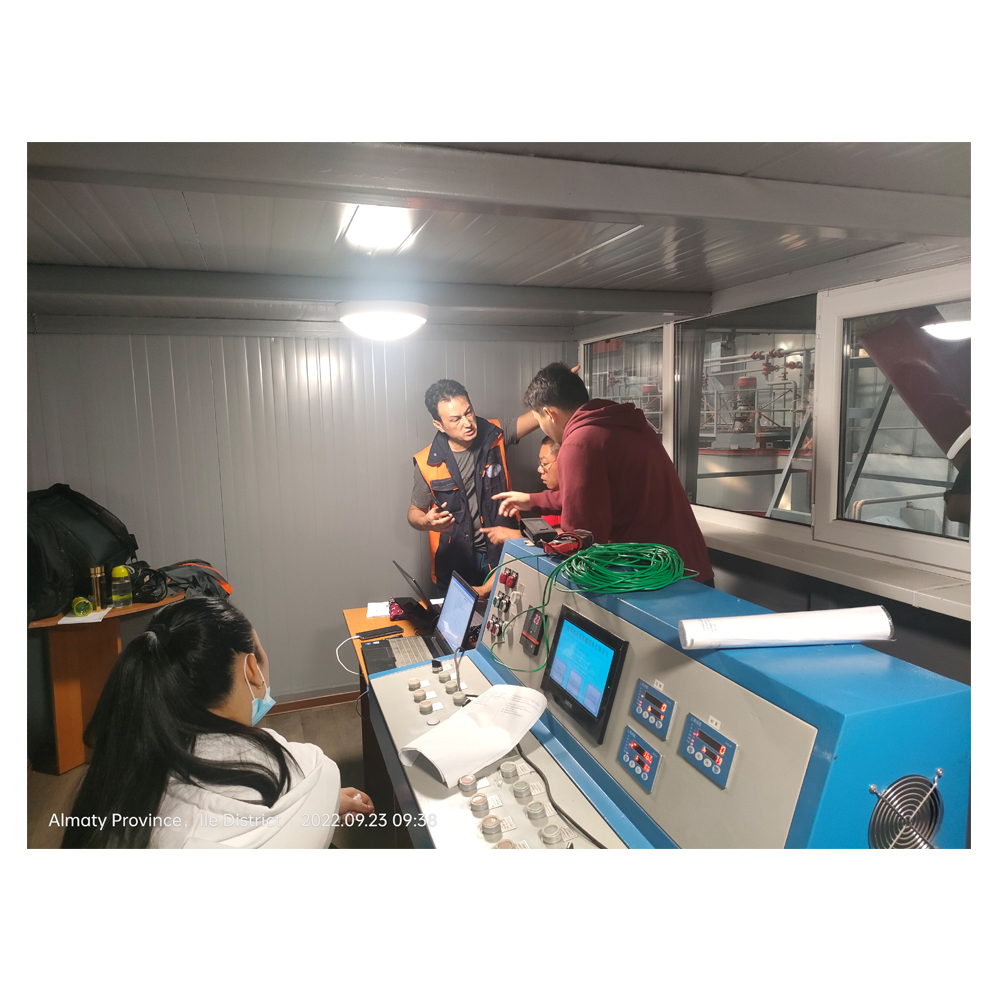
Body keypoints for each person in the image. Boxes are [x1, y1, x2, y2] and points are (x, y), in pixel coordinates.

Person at [61, 597, 373, 848]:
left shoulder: (118, 772)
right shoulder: (304, 769)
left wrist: (327, 803)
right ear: (251, 670)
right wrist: (326, 802)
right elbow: (316, 789)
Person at [494, 362, 714, 585]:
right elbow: (592, 496)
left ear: (549, 414)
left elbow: (582, 540)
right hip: (691, 568)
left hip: (652, 578)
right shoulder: (626, 424)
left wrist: (533, 542)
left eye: (538, 419)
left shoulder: (579, 443)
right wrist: (531, 500)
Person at [408, 378, 536, 596]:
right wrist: (426, 521)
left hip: (501, 556)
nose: (467, 423)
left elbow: (539, 416)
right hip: (454, 563)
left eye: (468, 412)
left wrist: (557, 392)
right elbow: (414, 513)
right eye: (455, 419)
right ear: (439, 425)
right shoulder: (426, 462)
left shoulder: (495, 433)